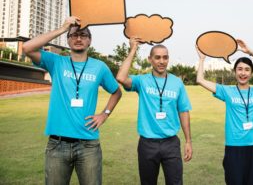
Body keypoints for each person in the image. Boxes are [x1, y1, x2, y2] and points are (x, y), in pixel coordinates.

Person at [22, 16, 122, 185]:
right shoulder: (56, 62)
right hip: (57, 144)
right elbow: (27, 47)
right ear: (67, 40)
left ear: (90, 41)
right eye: (73, 35)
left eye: (83, 35)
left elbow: (116, 92)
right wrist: (62, 28)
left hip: (89, 145)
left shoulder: (100, 67)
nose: (78, 38)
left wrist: (104, 114)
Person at [116, 37, 192, 185]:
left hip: (171, 143)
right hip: (147, 144)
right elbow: (121, 77)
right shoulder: (142, 81)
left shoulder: (177, 82)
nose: (161, 61)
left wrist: (188, 141)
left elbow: (183, 111)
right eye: (157, 57)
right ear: (150, 59)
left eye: (165, 57)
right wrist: (133, 50)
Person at [196, 39, 253, 185]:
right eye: (239, 69)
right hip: (233, 148)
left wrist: (249, 51)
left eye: (246, 69)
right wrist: (201, 59)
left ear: (251, 73)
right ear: (234, 71)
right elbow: (200, 80)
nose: (243, 73)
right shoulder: (227, 91)